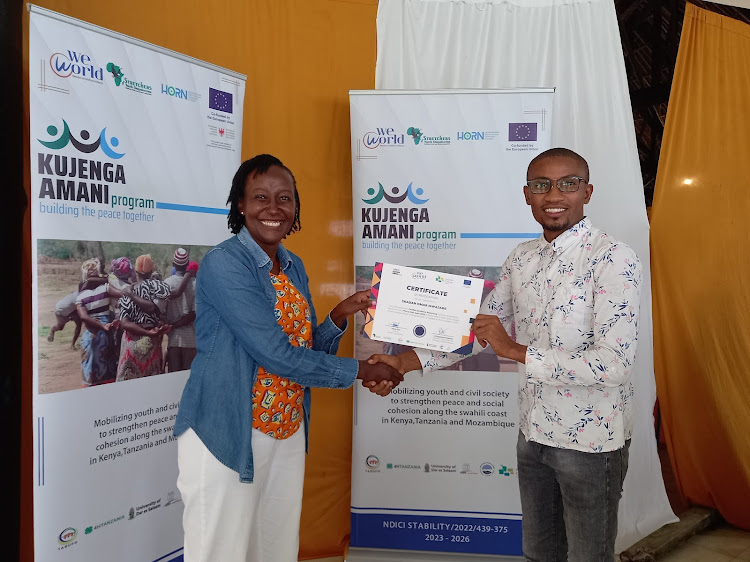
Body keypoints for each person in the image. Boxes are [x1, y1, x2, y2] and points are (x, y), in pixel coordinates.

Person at [368, 147, 642, 562]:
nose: (554, 194)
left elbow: (613, 364)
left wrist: (514, 350)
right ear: (526, 194)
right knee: (538, 553)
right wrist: (404, 362)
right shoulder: (521, 257)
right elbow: (481, 331)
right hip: (532, 435)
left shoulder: (612, 258)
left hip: (590, 443)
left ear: (587, 191)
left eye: (568, 183)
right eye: (541, 184)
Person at [173, 154, 403, 562]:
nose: (274, 208)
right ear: (240, 204)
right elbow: (275, 354)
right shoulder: (226, 263)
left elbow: (303, 350)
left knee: (276, 550)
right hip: (228, 430)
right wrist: (363, 370)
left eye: (285, 198)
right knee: (219, 553)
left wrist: (339, 315)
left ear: (295, 207)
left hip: (286, 429)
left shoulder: (291, 265)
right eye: (260, 197)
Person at [116, 254, 193, 381]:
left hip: (130, 343)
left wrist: (131, 295)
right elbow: (173, 295)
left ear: (135, 271)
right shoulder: (159, 287)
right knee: (151, 384)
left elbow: (124, 324)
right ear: (151, 270)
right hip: (151, 343)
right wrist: (148, 332)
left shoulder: (127, 291)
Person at [163, 248, 197, 372]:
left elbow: (161, 311)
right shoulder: (195, 284)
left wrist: (171, 326)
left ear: (173, 264)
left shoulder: (166, 283)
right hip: (191, 340)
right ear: (187, 264)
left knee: (173, 379)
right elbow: (193, 315)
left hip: (173, 340)